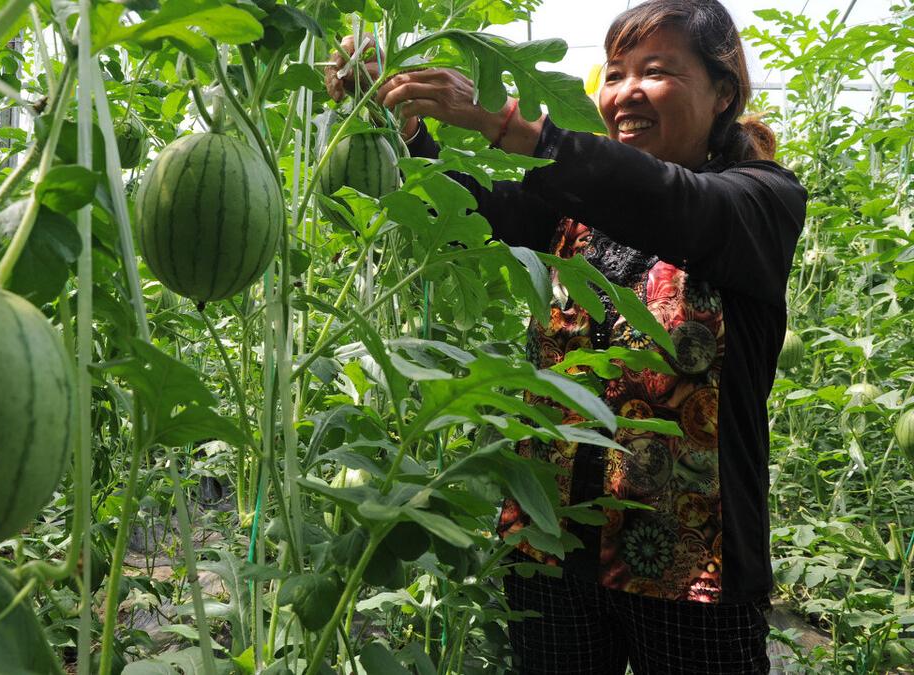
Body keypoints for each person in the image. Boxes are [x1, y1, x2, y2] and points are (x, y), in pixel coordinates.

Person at [325, 1, 807, 673]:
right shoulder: (568, 203)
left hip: (695, 569)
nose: (625, 91)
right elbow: (471, 213)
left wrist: (515, 126)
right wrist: (403, 131)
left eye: (656, 70)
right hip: (549, 551)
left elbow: (675, 206)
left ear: (723, 93)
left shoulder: (759, 201)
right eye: (614, 73)